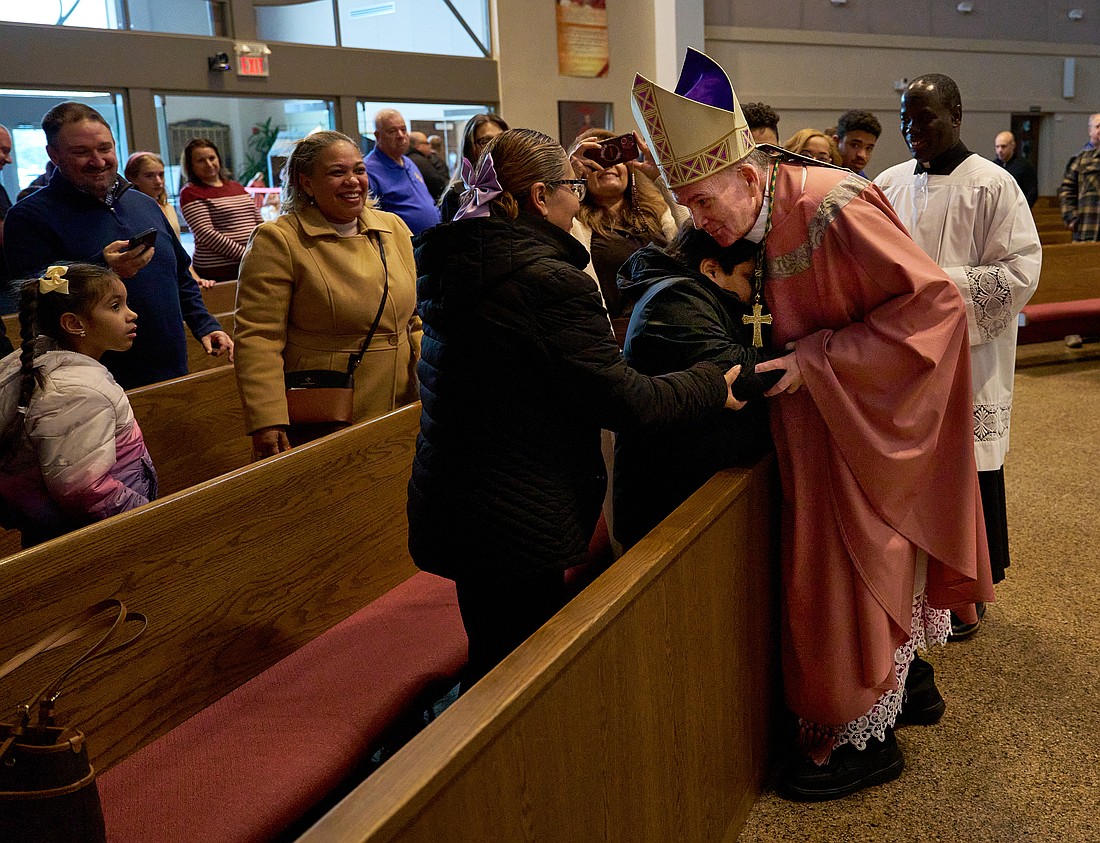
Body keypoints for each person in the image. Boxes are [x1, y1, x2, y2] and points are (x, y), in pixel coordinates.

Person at [632, 48, 992, 800]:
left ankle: (859, 733)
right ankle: (901, 686)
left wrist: (819, 360)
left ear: (749, 174)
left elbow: (936, 309)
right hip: (816, 426)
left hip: (859, 421)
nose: (696, 223)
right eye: (688, 206)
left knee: (846, 575)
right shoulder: (752, 221)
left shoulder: (833, 204)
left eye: (703, 203)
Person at [408, 127, 746, 684]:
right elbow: (623, 401)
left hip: (459, 496)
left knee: (493, 649)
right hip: (515, 508)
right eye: (573, 186)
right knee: (516, 677)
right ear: (540, 197)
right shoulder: (546, 281)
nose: (582, 198)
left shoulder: (460, 256)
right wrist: (710, 383)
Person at [875, 75, 1041, 640]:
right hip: (901, 361)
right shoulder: (888, 183)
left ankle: (968, 594)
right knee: (910, 476)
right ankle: (913, 591)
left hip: (968, 360)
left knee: (967, 474)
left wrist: (933, 288)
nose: (912, 130)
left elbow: (1019, 272)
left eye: (924, 119)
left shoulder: (994, 185)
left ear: (957, 114)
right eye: (905, 119)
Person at [4, 102, 232, 389]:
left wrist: (204, 324)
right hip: (92, 384)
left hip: (171, 367)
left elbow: (180, 276)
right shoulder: (29, 217)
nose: (98, 160)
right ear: (54, 155)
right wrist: (102, 267)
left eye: (104, 148)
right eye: (81, 152)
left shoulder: (144, 204)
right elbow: (36, 292)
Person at [234, 130, 421, 461]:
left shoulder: (393, 229)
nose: (353, 181)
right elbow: (259, 338)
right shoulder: (279, 240)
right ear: (306, 183)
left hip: (405, 398)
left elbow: (417, 317)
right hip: (330, 406)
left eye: (359, 170)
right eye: (338, 172)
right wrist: (267, 418)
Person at [613, 226, 775, 549]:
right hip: (665, 514)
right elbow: (735, 371)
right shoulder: (672, 300)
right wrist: (807, 359)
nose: (754, 295)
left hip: (698, 495)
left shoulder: (701, 295)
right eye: (748, 279)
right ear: (711, 269)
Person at [0, 263, 156, 547]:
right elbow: (83, 489)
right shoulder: (76, 393)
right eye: (115, 306)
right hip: (96, 538)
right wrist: (146, 518)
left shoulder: (50, 369)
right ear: (75, 324)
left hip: (70, 529)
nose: (131, 314)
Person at [567, 127, 678, 340]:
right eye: (596, 159)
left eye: (614, 155)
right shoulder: (576, 224)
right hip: (620, 336)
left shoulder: (659, 211)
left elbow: (691, 233)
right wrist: (571, 177)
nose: (607, 165)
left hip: (675, 324)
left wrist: (661, 176)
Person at [124, 152, 215, 289]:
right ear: (133, 178)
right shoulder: (130, 210)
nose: (158, 181)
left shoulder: (168, 207)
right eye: (149, 176)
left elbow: (177, 252)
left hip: (176, 276)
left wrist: (195, 278)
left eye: (161, 175)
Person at [179, 138, 262, 281]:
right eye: (200, 161)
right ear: (190, 166)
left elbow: (258, 220)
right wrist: (247, 255)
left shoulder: (236, 186)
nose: (209, 164)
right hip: (219, 272)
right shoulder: (190, 193)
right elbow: (207, 234)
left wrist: (264, 248)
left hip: (251, 264)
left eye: (212, 158)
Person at [365, 109, 441, 235]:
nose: (401, 135)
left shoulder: (408, 162)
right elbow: (370, 219)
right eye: (392, 131)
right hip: (404, 247)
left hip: (431, 244)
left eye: (403, 130)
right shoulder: (369, 170)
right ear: (378, 136)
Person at [438, 113, 509, 223]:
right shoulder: (456, 195)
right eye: (485, 142)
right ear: (470, 149)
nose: (495, 146)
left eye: (501, 139)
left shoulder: (519, 188)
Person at [1058, 113, 1100, 242]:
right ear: (1090, 131)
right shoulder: (1082, 159)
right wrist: (1071, 218)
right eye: (1098, 126)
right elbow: (1066, 189)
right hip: (1089, 228)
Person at [994, 131, 1038, 207]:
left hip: (1018, 210)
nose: (1000, 150)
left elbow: (1032, 193)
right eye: (997, 147)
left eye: (1003, 146)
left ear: (1012, 146)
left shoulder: (1024, 166)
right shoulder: (993, 166)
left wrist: (1022, 209)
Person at [835, 109, 881, 176]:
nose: (862, 155)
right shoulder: (821, 175)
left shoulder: (863, 181)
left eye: (868, 148)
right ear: (836, 142)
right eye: (855, 145)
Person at [407, 130, 449, 202]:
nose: (429, 146)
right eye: (426, 143)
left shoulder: (408, 159)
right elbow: (439, 184)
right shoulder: (420, 161)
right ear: (418, 145)